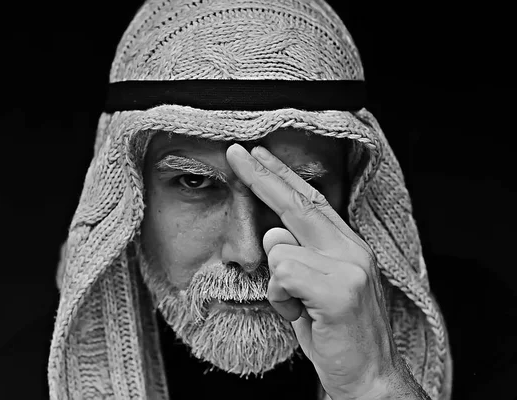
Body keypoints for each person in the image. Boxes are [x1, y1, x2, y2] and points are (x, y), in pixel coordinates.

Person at [48, 0, 453, 399]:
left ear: (355, 198)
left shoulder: (498, 340)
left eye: (297, 186)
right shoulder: (10, 381)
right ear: (128, 197)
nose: (249, 253)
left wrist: (378, 384)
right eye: (194, 182)